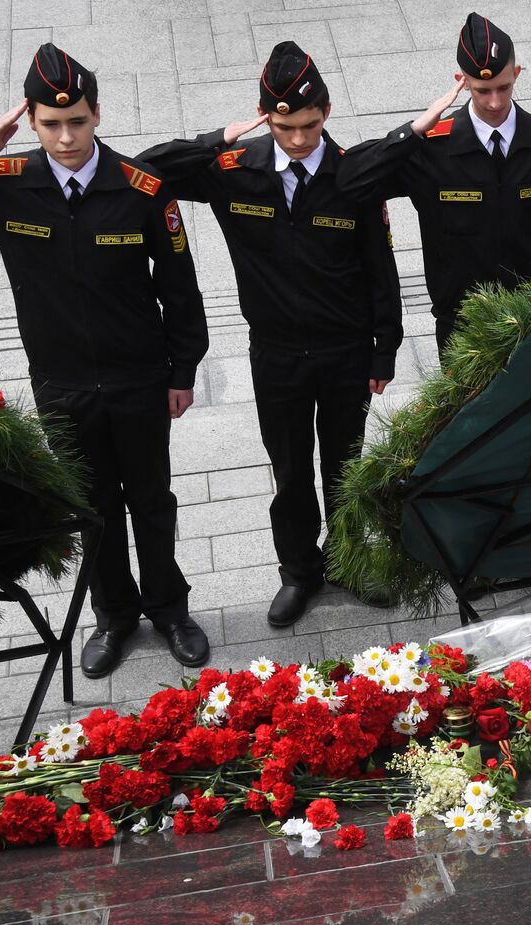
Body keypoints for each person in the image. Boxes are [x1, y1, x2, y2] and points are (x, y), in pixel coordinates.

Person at [0, 44, 211, 676]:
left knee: (151, 499)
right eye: (51, 124)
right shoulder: (6, 186)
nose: (67, 137)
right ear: (29, 121)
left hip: (139, 377)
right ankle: (114, 615)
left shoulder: (139, 188)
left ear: (97, 116)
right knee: (91, 507)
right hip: (62, 382)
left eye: (79, 122)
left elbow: (180, 286)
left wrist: (182, 371)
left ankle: (170, 608)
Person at [138, 42, 402, 626]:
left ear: (326, 112)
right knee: (288, 469)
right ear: (265, 118)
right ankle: (299, 572)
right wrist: (216, 140)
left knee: (345, 463)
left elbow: (381, 265)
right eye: (285, 127)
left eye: (309, 125)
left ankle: (352, 561)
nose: (301, 140)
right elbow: (147, 169)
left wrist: (385, 346)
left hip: (344, 349)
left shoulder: (349, 172)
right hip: (276, 352)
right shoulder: (237, 170)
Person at [336, 12, 531, 355]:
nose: (494, 102)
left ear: (517, 74)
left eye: (503, 87)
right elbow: (350, 179)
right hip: (463, 326)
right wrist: (414, 131)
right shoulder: (431, 147)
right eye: (482, 90)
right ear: (461, 82)